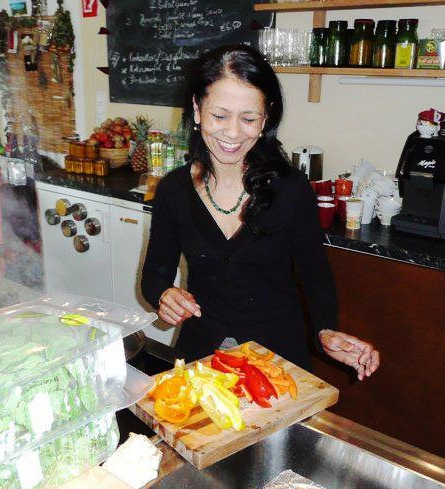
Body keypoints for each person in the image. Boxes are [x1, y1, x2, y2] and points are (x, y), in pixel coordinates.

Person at [141, 44, 379, 380]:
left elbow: (315, 274)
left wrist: (325, 330)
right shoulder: (174, 190)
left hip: (278, 358)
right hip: (201, 358)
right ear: (197, 110)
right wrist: (164, 294)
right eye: (219, 116)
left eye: (249, 118)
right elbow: (154, 275)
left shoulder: (291, 189)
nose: (233, 133)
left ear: (266, 119)